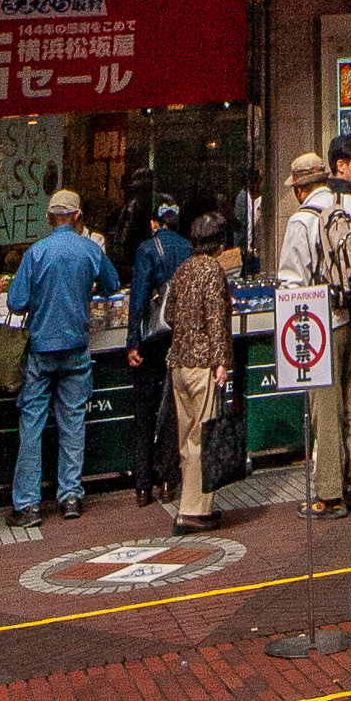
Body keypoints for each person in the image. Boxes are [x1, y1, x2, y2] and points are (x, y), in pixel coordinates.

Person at [278, 138, 351, 513]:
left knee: (325, 409)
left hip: (323, 324)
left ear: (300, 188)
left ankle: (329, 495)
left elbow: (291, 281)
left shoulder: (301, 220)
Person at [5, 186, 121, 524]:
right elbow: (113, 285)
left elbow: (16, 302)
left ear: (49, 218)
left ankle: (28, 505)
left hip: (41, 348)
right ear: (78, 216)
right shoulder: (90, 249)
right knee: (72, 421)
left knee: (32, 424)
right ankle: (70, 495)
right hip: (76, 346)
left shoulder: (36, 252)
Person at [165, 211, 236, 525]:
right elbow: (217, 320)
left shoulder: (182, 269)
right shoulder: (214, 270)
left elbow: (169, 314)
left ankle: (187, 503)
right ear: (219, 242)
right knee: (202, 437)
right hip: (203, 363)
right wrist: (221, 361)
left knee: (187, 439)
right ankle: (194, 511)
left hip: (178, 362)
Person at [125, 199, 189, 508]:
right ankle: (168, 480)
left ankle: (143, 485)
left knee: (145, 408)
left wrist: (132, 341)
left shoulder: (147, 249)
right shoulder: (188, 248)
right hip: (178, 336)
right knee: (173, 408)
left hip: (151, 339)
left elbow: (138, 298)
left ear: (154, 223)